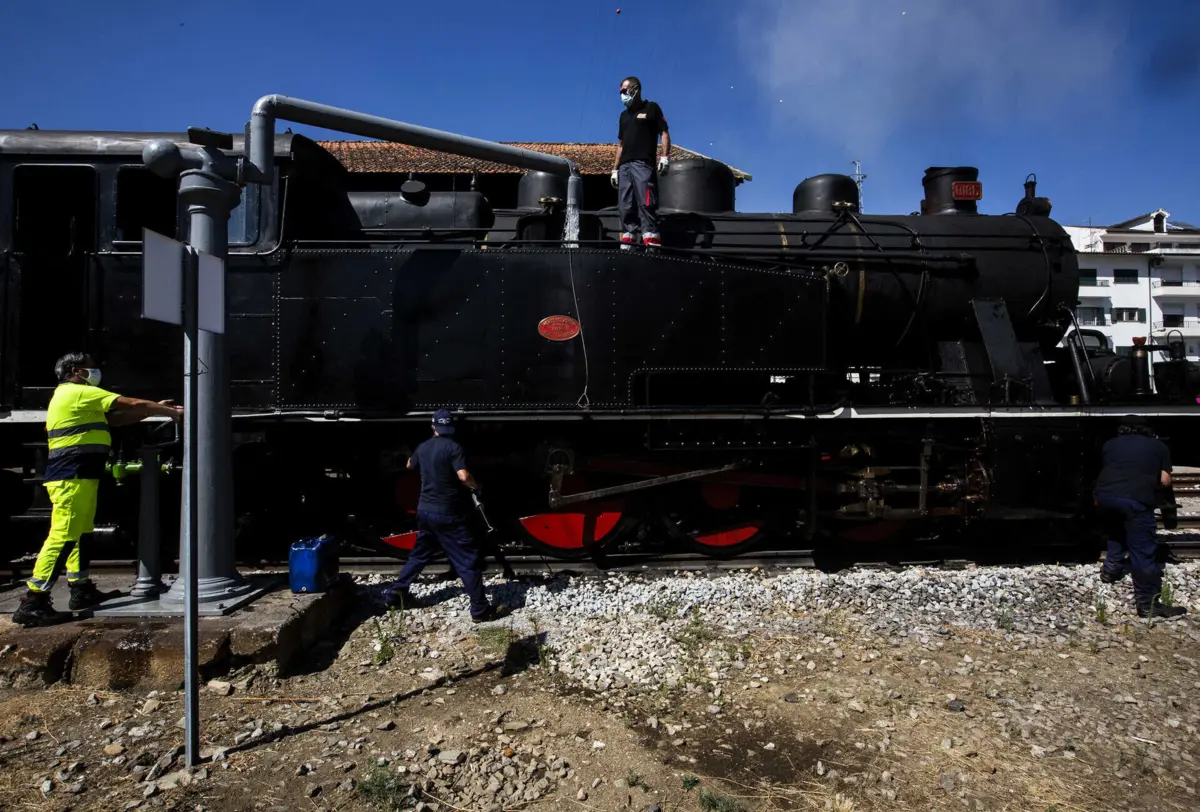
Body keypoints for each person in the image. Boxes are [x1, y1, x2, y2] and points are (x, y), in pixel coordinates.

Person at [12, 353, 183, 627]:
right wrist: (169, 412)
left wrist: (152, 411)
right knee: (63, 535)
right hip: (71, 475)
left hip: (80, 475)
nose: (96, 372)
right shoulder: (77, 392)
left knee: (80, 533)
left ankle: (80, 590)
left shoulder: (77, 398)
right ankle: (33, 600)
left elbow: (115, 420)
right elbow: (132, 402)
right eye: (91, 368)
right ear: (76, 371)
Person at [382, 410, 508, 623]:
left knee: (419, 555)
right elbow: (463, 475)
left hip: (424, 511)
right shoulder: (453, 447)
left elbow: (409, 465)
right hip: (447, 513)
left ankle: (395, 594)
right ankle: (480, 610)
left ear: (433, 427)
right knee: (467, 560)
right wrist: (477, 487)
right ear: (451, 428)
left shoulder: (423, 447)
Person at [1093, 414, 1186, 619]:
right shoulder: (1158, 446)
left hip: (1105, 498)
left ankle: (1110, 571)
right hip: (1135, 500)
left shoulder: (1110, 444)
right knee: (1143, 551)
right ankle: (1148, 604)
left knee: (1117, 531)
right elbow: (1165, 480)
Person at [610, 76, 671, 249]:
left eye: (624, 91)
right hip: (625, 166)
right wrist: (615, 169)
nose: (622, 95)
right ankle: (629, 237)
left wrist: (665, 156)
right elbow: (620, 145)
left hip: (643, 163)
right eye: (620, 92)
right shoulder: (623, 116)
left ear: (635, 90)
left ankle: (650, 237)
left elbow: (664, 132)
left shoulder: (652, 108)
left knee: (646, 201)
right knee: (625, 203)